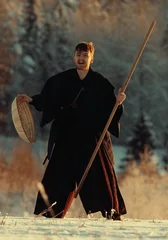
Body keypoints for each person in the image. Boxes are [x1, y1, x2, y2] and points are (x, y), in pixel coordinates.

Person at [16, 41, 127, 220]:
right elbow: (47, 99)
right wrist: (31, 100)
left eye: (85, 56)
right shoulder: (61, 80)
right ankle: (50, 213)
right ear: (73, 57)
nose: (81, 59)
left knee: (99, 177)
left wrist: (118, 102)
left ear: (92, 58)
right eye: (78, 55)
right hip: (66, 136)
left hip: (91, 139)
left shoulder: (100, 83)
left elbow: (110, 110)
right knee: (57, 177)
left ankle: (111, 214)